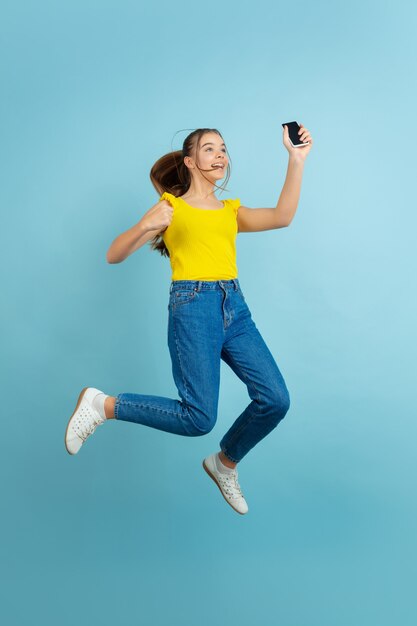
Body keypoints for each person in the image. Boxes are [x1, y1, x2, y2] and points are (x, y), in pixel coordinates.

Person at [64, 123, 313, 515]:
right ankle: (103, 405)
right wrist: (147, 224)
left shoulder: (230, 212)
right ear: (190, 161)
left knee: (276, 399)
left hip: (235, 306)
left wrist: (296, 159)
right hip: (192, 307)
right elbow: (113, 254)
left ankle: (224, 462)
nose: (220, 156)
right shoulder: (171, 207)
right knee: (198, 418)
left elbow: (283, 216)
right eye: (209, 149)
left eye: (223, 149)